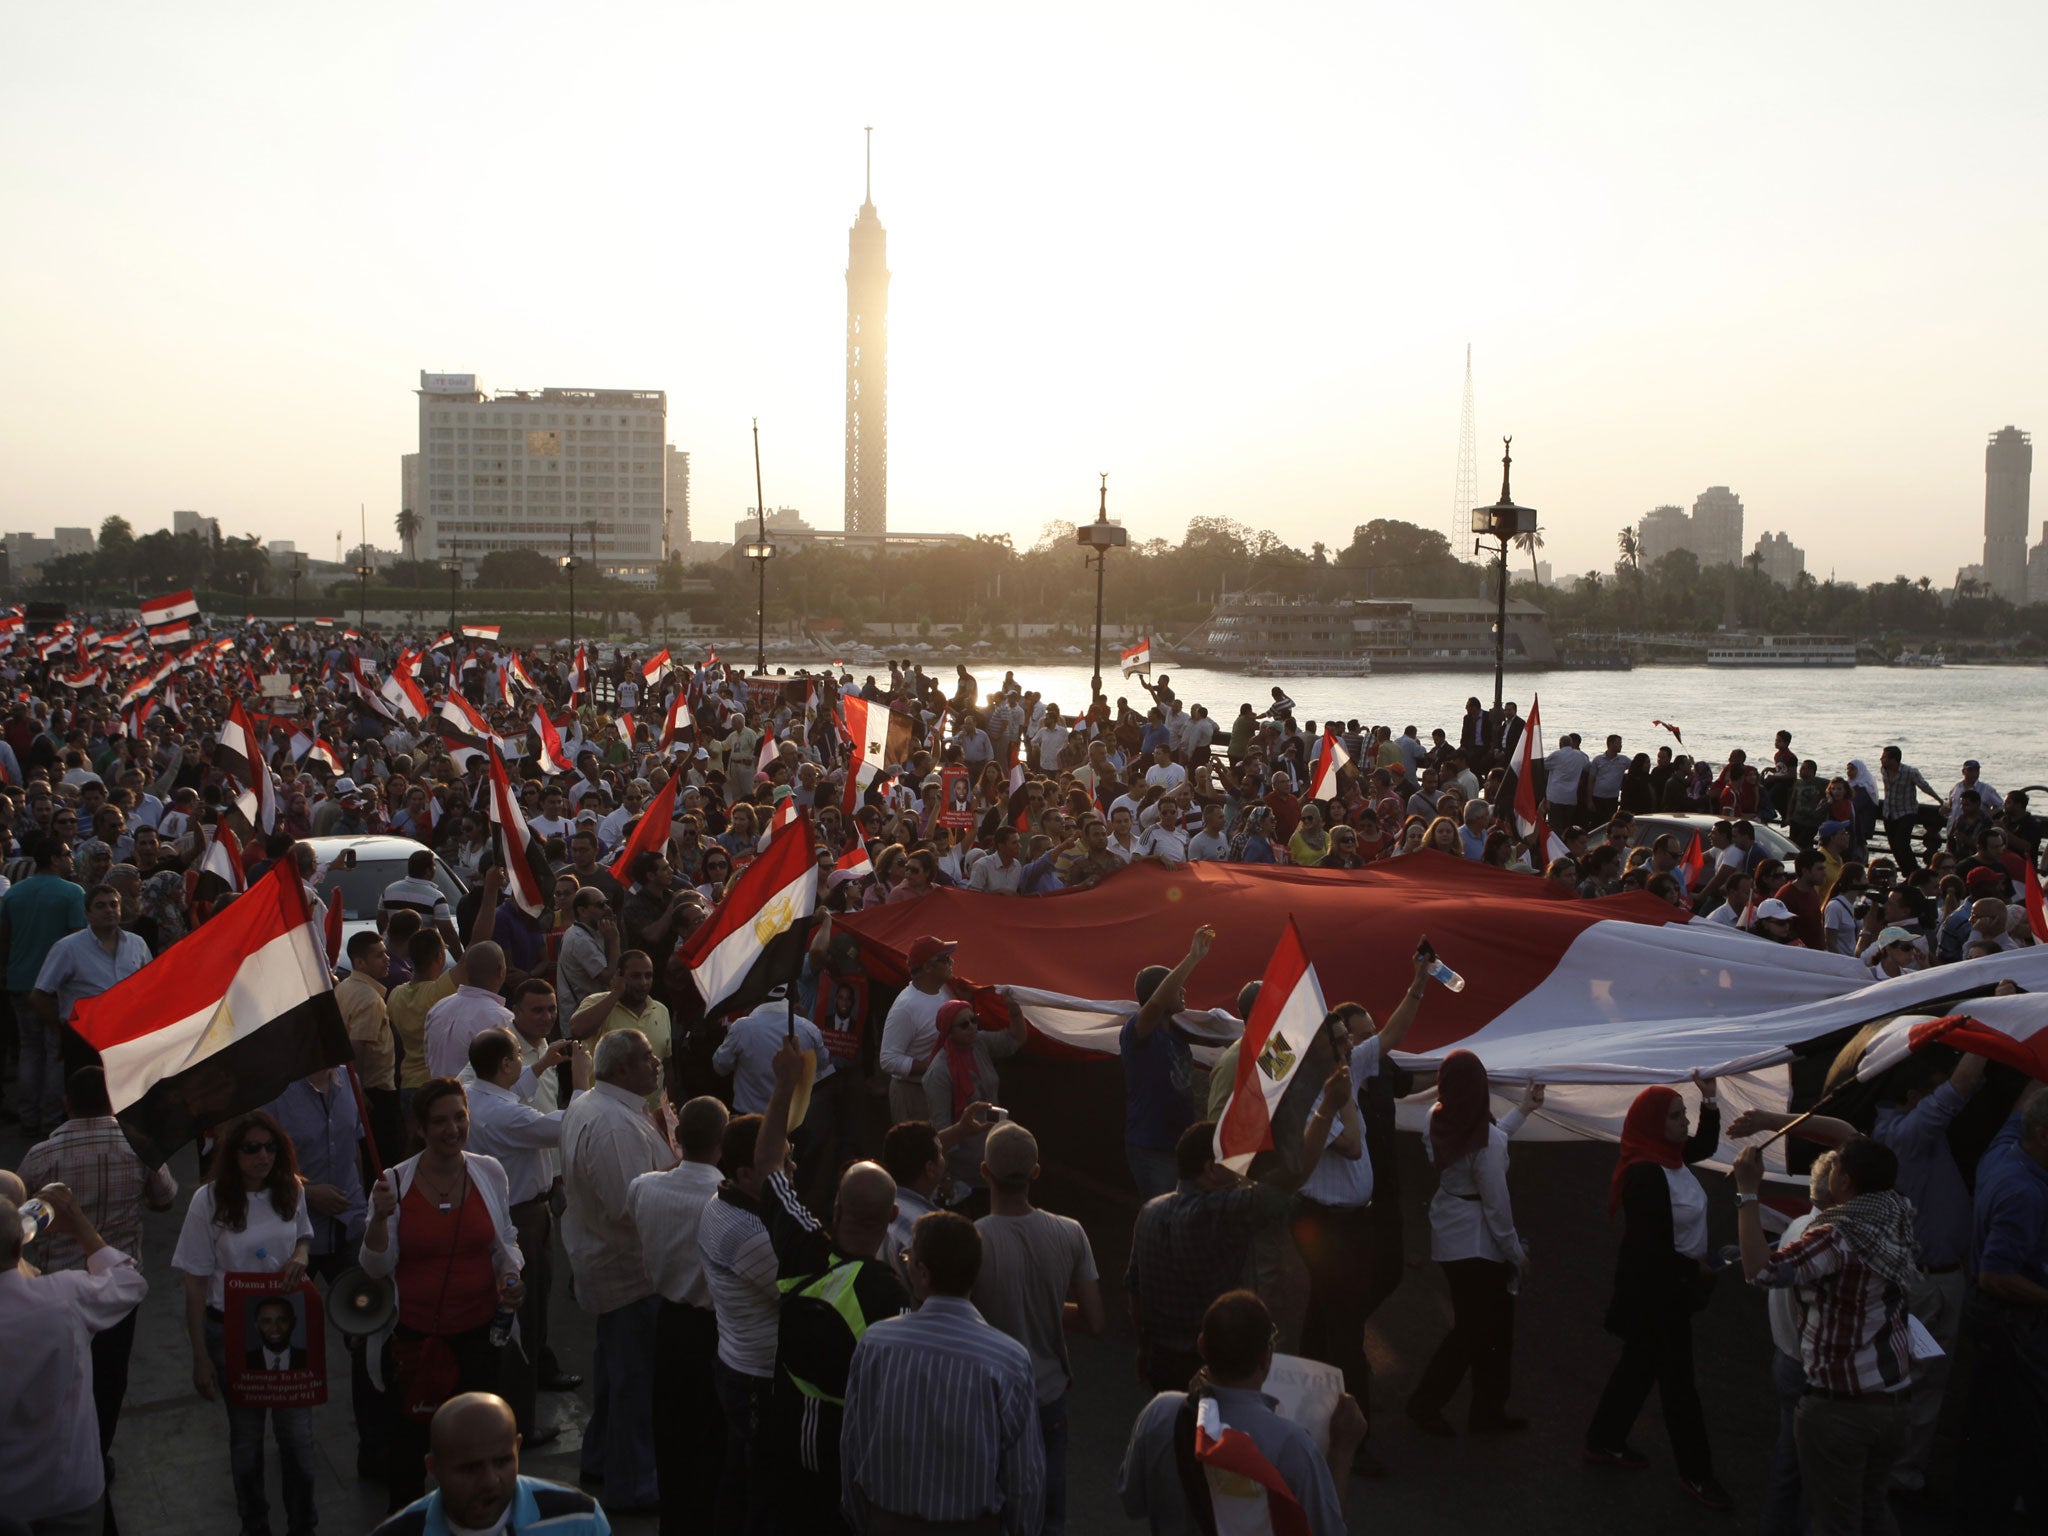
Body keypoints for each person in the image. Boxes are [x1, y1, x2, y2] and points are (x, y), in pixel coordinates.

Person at [742, 1039, 910, 1532]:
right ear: (894, 1216)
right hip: (850, 1457)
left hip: (782, 1436)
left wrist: (783, 1086)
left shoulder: (804, 1249)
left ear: (835, 1209)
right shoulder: (894, 1294)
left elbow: (769, 1162)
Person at [1734, 1136, 1918, 1536]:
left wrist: (1747, 1193)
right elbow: (1854, 1140)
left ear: (1846, 1181)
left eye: (1836, 1167)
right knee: (1872, 1508)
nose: (1830, 1168)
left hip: (1843, 1409)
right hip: (1894, 1399)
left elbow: (1760, 1271)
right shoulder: (1895, 1211)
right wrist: (1773, 1124)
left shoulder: (1836, 1237)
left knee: (1835, 1521)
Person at [359, 1078, 525, 1509]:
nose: (452, 1129)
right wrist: (378, 1219)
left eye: (459, 1117)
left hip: (481, 1335)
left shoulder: (489, 1171)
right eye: (439, 1121)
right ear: (420, 1128)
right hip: (418, 1340)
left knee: (478, 1443)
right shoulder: (393, 1183)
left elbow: (503, 1239)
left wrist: (510, 1276)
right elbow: (376, 1266)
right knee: (412, 1448)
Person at [17, 1066, 176, 1488]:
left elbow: (21, 1223)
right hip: (115, 1293)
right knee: (109, 1380)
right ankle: (97, 1453)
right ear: (113, 1101)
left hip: (57, 1298)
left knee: (60, 1383)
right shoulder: (138, 1145)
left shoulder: (39, 1156)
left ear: (67, 1103)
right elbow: (166, 1198)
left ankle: (64, 1454)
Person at [839, 1211, 1045, 1534]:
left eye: (908, 1257)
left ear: (922, 1273)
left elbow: (854, 1444)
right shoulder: (1008, 1359)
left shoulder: (877, 1344)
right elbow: (1024, 1478)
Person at [1585, 1076, 1730, 1510]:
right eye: (1675, 1115)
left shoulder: (1669, 1156)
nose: (1684, 1123)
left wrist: (1709, 1097)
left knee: (1639, 1366)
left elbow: (1704, 1142)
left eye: (1683, 1114)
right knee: (1679, 1387)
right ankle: (1697, 1475)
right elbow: (1652, 1249)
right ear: (1653, 1123)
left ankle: (1603, 1439)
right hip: (1659, 1296)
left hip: (1674, 1288)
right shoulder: (1646, 1174)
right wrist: (1699, 1268)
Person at [172, 1109, 319, 1536]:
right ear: (232, 1153)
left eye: (270, 1147)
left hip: (289, 1327)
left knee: (298, 1439)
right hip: (232, 1331)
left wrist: (299, 1257)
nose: (263, 1156)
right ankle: (254, 1524)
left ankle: (302, 1524)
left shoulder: (290, 1189)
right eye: (252, 1148)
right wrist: (200, 1356)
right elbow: (195, 1284)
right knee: (246, 1440)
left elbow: (305, 1235)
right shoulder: (209, 1201)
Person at [1117, 1289, 1362, 1536]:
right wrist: (1342, 1453)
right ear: (1267, 1358)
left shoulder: (1160, 1413)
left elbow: (1132, 1501)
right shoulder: (1294, 1446)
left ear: (1202, 1346)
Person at [557, 1029, 676, 1514]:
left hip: (609, 1266)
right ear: (623, 1069)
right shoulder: (612, 1126)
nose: (657, 1065)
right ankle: (633, 1486)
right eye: (649, 1058)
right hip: (628, 1273)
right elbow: (628, 1207)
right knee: (634, 1384)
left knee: (613, 1372)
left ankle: (601, 1458)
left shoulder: (596, 1105)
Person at [973, 1122, 1105, 1536]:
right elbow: (1095, 1320)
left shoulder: (972, 1239)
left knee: (989, 1506)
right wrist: (1049, 1305)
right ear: (1035, 1172)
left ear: (984, 1172)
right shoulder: (1070, 1232)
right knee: (1050, 1513)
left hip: (989, 1396)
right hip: (1047, 1393)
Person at [0, 1179, 148, 1536]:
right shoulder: (62, 1298)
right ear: (21, 1242)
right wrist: (80, 1226)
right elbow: (129, 1284)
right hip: (69, 1488)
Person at [462, 1026, 587, 1444]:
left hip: (498, 1215)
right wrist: (583, 1080)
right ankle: (520, 1420)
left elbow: (515, 1095)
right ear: (504, 1064)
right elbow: (568, 1126)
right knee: (524, 1319)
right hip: (523, 1220)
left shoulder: (472, 1093)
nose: (523, 1059)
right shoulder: (506, 1116)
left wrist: (544, 1064)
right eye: (518, 1054)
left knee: (510, 1318)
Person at [1407, 1053, 1540, 1436]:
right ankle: (1437, 1404)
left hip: (1451, 1233)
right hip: (1479, 1244)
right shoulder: (1486, 1139)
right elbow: (1497, 1209)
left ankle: (1485, 1410)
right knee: (1481, 1330)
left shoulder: (1437, 1117)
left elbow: (1487, 1141)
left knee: (1484, 1327)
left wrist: (1524, 1110)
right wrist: (1517, 1255)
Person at [264, 1064, 381, 1476]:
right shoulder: (276, 1089)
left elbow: (354, 1149)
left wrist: (365, 1210)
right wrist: (305, 1192)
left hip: (348, 1232)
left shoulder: (349, 1079)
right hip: (297, 1238)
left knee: (367, 1329)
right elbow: (258, 1165)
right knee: (280, 1335)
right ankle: (288, 1438)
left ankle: (374, 1447)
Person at [629, 1096, 732, 1536]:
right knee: (713, 1446)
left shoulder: (644, 1187)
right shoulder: (728, 1200)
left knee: (672, 1439)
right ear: (722, 1144)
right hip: (715, 1332)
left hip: (668, 1323)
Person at [1953, 1079, 2048, 1533]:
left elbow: (2021, 1107)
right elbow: (1997, 1274)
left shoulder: (2006, 1149)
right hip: (2011, 1329)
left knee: (1986, 1426)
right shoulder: (2024, 1194)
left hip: (1989, 1323)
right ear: (2044, 1135)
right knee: (2014, 1436)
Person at [367, 1391, 611, 1536]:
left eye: (503, 1461)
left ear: (517, 1448)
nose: (490, 1481)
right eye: (470, 1468)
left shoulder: (580, 1519)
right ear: (433, 1469)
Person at [1121, 926, 1216, 1201]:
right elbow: (1154, 1006)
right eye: (1176, 986)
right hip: (1152, 1148)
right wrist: (1192, 958)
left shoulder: (1176, 1034)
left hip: (1178, 1145)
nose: (1183, 990)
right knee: (1164, 1215)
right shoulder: (1136, 1034)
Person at [1, 833, 85, 1140]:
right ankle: (50, 1120)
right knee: (55, 1051)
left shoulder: (14, 894)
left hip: (20, 980)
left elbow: (5, 937)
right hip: (56, 985)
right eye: (65, 854)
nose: (70, 858)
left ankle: (28, 1116)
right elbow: (79, 939)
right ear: (53, 858)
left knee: (29, 1049)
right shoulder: (71, 893)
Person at [877, 934, 959, 1124]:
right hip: (912, 1093)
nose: (951, 962)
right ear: (928, 967)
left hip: (939, 1088)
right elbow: (888, 1060)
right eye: (945, 959)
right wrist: (933, 1066)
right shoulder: (905, 1007)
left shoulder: (947, 990)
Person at [423, 941, 512, 1079]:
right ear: (501, 971)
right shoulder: (501, 1018)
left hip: (437, 1093)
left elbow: (429, 1059)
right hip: (473, 1099)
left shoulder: (438, 1007)